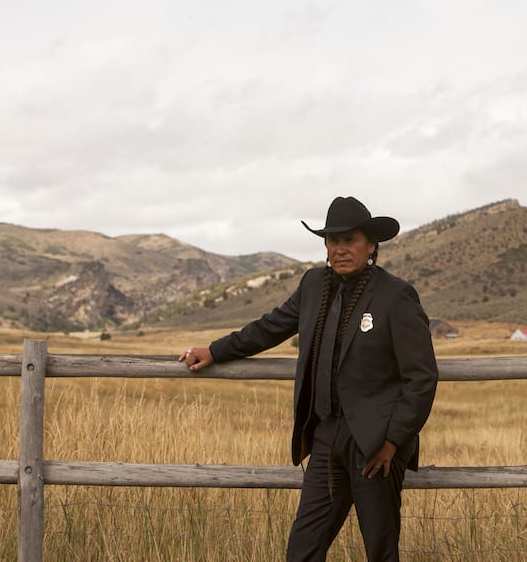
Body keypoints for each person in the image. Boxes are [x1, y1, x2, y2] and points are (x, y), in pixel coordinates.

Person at [179, 196, 438, 561]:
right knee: (302, 550)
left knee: (380, 551)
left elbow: (422, 377)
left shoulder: (396, 296)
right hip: (326, 436)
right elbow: (270, 327)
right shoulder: (314, 284)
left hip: (375, 445)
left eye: (349, 240)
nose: (340, 249)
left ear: (371, 245)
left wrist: (393, 441)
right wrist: (216, 350)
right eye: (333, 241)